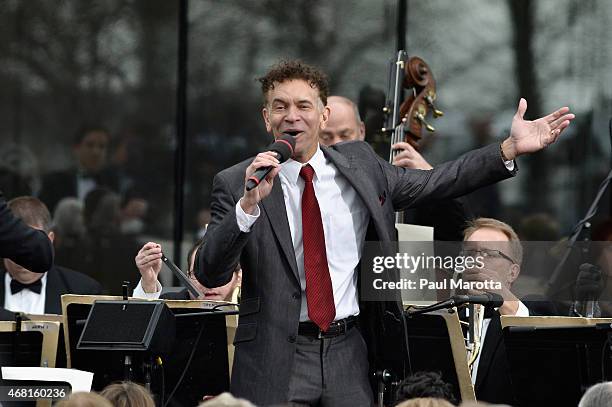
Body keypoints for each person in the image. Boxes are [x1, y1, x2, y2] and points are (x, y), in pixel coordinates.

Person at [195, 59, 574, 406]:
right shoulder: (236, 182)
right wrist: (248, 206)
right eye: (280, 106)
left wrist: (508, 149)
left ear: (323, 114)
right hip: (273, 358)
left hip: (348, 351)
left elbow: (437, 182)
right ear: (266, 118)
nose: (292, 116)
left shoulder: (361, 166)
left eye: (303, 105)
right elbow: (211, 273)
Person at [320, 95, 472, 241]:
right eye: (326, 137)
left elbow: (457, 233)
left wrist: (430, 178)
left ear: (361, 131)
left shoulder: (388, 177)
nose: (337, 144)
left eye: (345, 135)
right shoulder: (306, 180)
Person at [460, 217, 557, 404]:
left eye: (490, 253)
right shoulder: (449, 318)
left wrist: (503, 299)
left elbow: (545, 367)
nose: (477, 260)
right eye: (470, 253)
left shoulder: (535, 309)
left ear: (513, 272)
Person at [0, 196, 101, 319]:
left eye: (31, 245)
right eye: (14, 244)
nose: (22, 255)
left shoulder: (83, 292)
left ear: (50, 240)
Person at [39, 125, 119, 213]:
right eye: (90, 145)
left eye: (102, 146)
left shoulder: (112, 183)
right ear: (76, 148)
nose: (96, 152)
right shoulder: (55, 182)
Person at [133, 239, 240, 301]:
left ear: (239, 277)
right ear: (188, 277)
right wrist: (149, 283)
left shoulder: (253, 308)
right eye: (199, 274)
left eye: (218, 274)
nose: (208, 284)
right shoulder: (170, 305)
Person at [0, 190, 53, 273]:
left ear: (50, 240)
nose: (22, 257)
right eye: (15, 243)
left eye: (31, 242)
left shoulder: (76, 284)